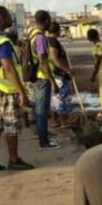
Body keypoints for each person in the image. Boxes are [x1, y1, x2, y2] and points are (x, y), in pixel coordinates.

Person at [0, 5, 35, 171]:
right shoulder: (2, 41)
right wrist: (22, 92)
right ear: (1, 18)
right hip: (6, 89)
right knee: (11, 124)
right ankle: (14, 159)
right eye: (8, 16)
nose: (11, 19)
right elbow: (9, 69)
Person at [29, 10, 60, 150]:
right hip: (41, 79)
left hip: (35, 77)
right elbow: (42, 61)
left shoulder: (32, 34)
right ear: (46, 20)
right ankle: (44, 141)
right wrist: (52, 81)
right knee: (42, 112)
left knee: (38, 110)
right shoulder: (40, 38)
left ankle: (43, 135)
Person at [47, 22, 73, 128]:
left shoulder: (49, 40)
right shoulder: (53, 42)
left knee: (55, 98)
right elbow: (55, 59)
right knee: (61, 98)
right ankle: (63, 122)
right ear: (57, 31)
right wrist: (67, 70)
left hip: (56, 74)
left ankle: (55, 121)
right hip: (59, 74)